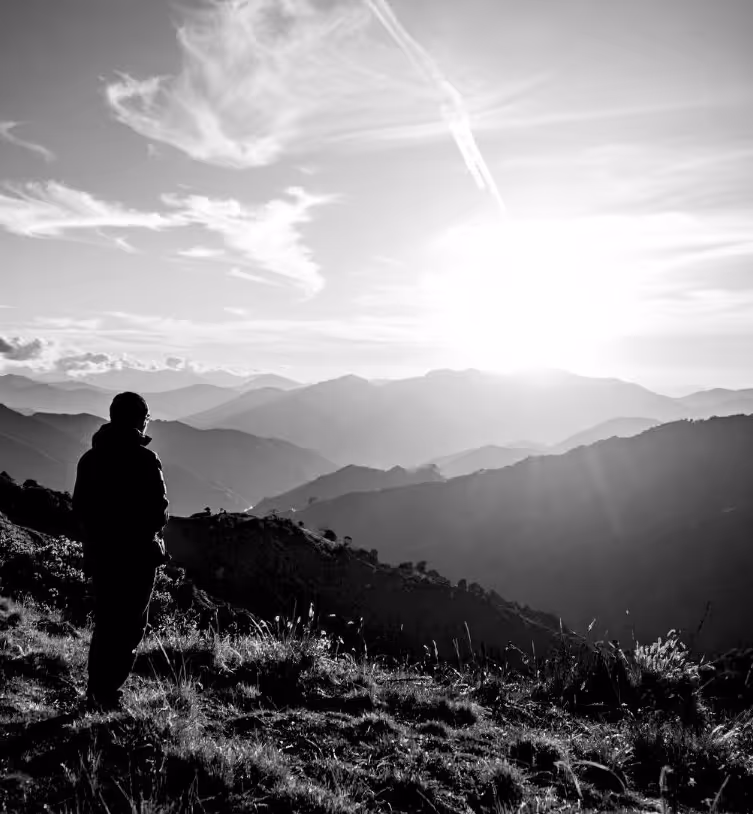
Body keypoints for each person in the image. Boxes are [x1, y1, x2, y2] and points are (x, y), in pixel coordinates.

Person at [73, 392, 169, 711]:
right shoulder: (144, 459)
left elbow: (81, 510)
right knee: (130, 626)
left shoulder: (89, 459)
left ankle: (96, 688)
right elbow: (158, 510)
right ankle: (108, 693)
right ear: (139, 419)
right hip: (138, 558)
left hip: (101, 556)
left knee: (107, 622)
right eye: (146, 417)